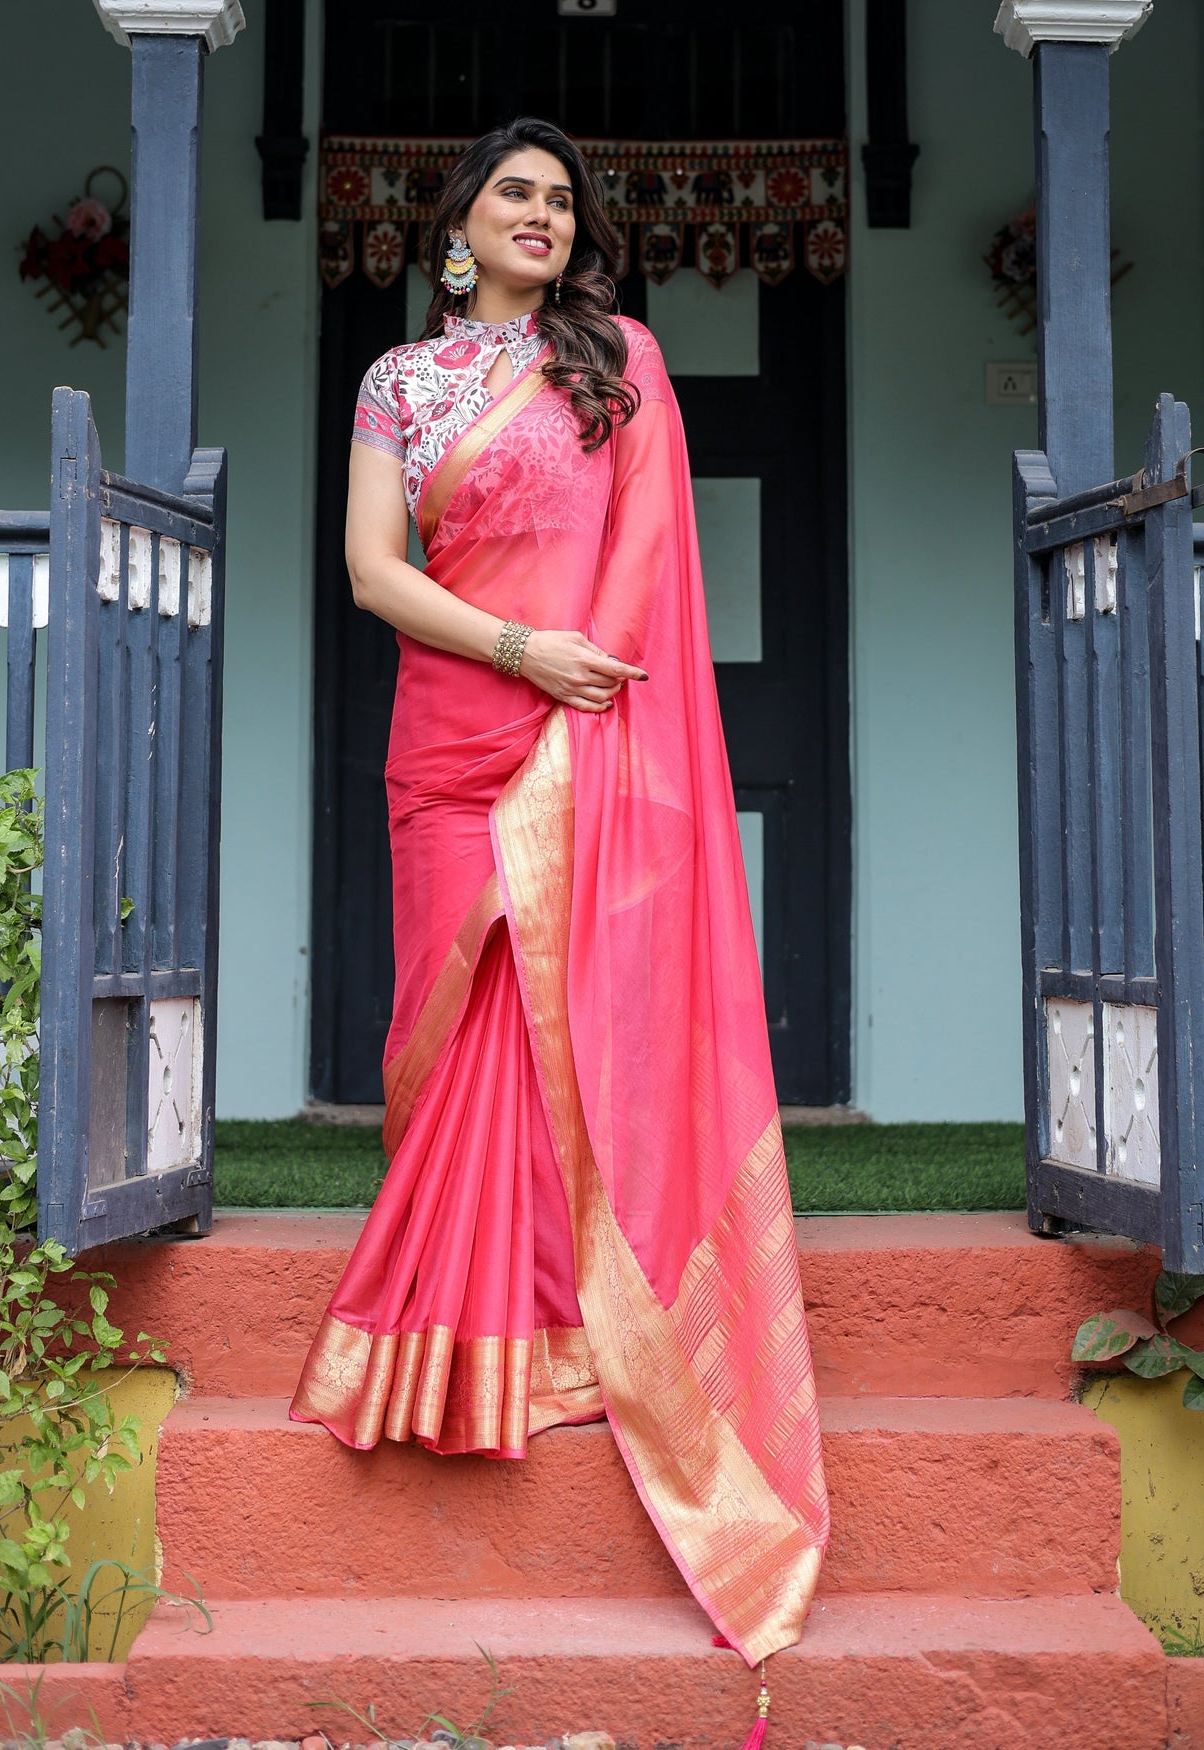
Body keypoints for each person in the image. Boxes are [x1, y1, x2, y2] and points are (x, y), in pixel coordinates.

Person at [291, 116, 829, 1673]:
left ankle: (565, 1332)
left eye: (560, 199)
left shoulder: (621, 363)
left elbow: (650, 548)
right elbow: (372, 571)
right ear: (457, 221)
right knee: (456, 1032)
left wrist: (574, 698)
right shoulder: (399, 383)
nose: (539, 213)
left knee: (559, 1036)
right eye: (511, 192)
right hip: (445, 738)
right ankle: (458, 1351)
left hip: (581, 731)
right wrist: (517, 650)